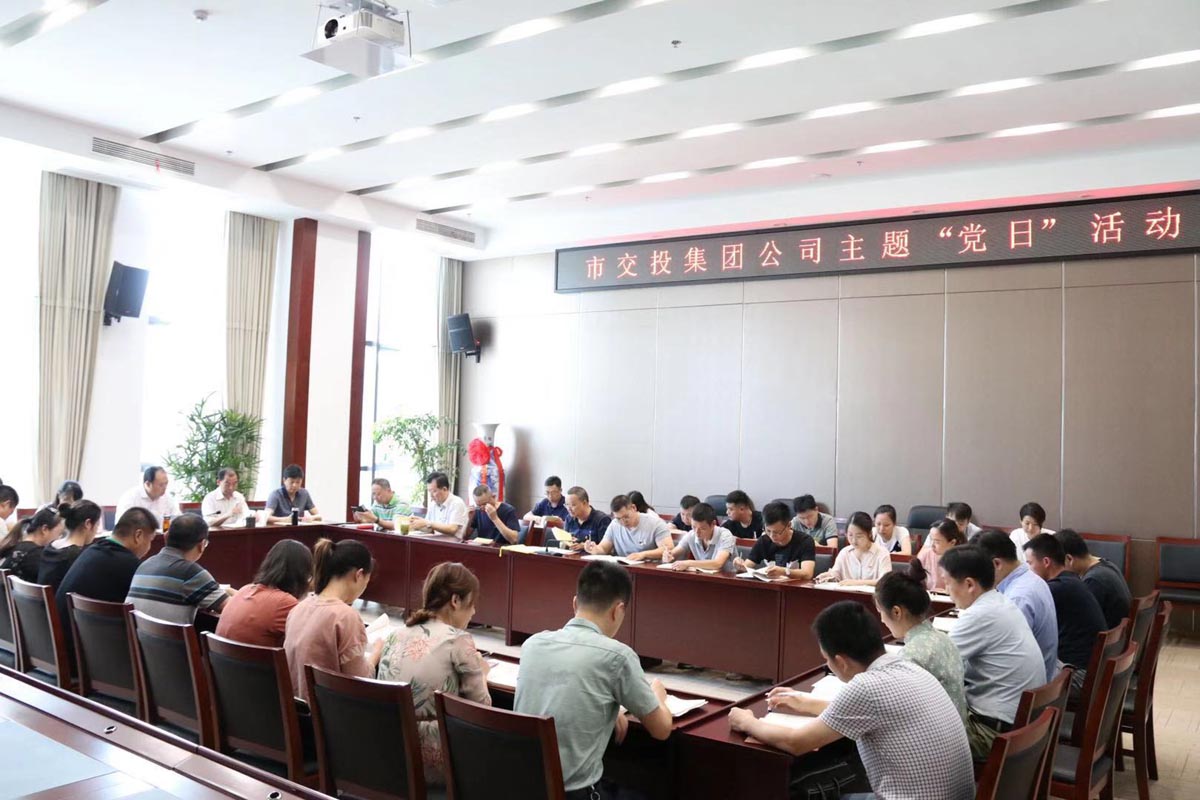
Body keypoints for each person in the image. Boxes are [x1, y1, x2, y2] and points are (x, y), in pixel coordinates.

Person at [728, 601, 974, 800]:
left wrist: (746, 721)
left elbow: (796, 742)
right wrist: (804, 703)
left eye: (827, 659)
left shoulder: (866, 687)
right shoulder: (905, 666)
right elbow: (871, 712)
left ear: (841, 661)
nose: (828, 665)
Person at [515, 561, 672, 799]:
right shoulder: (618, 656)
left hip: (521, 787)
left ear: (575, 603)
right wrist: (658, 695)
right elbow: (661, 730)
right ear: (618, 610)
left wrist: (608, 707)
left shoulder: (533, 644)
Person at [377, 563, 492, 786]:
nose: (474, 612)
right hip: (433, 762)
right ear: (455, 601)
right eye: (472, 603)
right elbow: (481, 711)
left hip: (388, 753)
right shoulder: (458, 640)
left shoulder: (395, 635)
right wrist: (483, 674)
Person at [939, 545, 1045, 758]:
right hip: (1023, 728)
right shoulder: (1001, 601)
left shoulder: (980, 614)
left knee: (910, 735)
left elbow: (937, 665)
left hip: (994, 733)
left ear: (969, 584)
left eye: (947, 583)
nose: (946, 590)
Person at [285, 538, 382, 702]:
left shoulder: (298, 608)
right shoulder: (345, 617)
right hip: (329, 712)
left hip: (298, 709)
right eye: (366, 581)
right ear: (359, 575)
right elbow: (359, 682)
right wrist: (377, 653)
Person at [54, 507, 156, 663]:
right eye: (150, 541)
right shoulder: (128, 565)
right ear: (138, 535)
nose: (149, 548)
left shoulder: (91, 551)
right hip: (89, 659)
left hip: (62, 648)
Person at [875, 560, 968, 720]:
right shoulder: (943, 638)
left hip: (937, 732)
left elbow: (894, 711)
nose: (882, 620)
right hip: (957, 727)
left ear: (896, 612)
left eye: (880, 612)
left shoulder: (911, 656)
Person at [1023, 533, 1108, 696]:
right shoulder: (1072, 581)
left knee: (1019, 683)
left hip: (1079, 675)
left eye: (1030, 563)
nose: (1029, 570)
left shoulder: (1055, 589)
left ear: (1046, 562)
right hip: (1092, 672)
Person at [973, 529, 1059, 683]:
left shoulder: (1018, 598)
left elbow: (1002, 655)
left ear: (996, 564)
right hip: (1042, 679)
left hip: (1027, 687)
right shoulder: (1032, 579)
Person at [127, 513, 232, 624]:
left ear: (166, 536)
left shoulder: (145, 565)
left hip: (137, 635)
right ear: (202, 545)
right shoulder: (190, 572)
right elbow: (233, 609)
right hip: (169, 636)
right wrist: (232, 592)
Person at [216, 539, 312, 648]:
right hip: (253, 659)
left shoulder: (245, 589)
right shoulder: (285, 603)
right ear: (302, 575)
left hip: (220, 658)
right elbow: (313, 637)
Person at [1057, 528, 1132, 630]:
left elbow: (1082, 622)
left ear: (1069, 559)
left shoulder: (1093, 581)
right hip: (1118, 635)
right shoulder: (1107, 564)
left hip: (1108, 637)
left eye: (1058, 564)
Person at [734, 500, 816, 581]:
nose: (772, 536)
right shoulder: (764, 540)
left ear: (789, 525)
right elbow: (747, 566)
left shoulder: (805, 541)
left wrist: (784, 572)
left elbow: (807, 574)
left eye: (777, 532)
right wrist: (740, 565)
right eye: (768, 531)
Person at [38, 500, 103, 591]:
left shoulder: (50, 546)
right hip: (62, 600)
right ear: (88, 524)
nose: (97, 531)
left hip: (45, 599)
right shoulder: (76, 556)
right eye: (97, 525)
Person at [584, 495, 673, 560]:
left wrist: (643, 554)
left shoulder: (655, 523)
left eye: (626, 517)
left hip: (649, 569)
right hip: (622, 569)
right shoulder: (614, 524)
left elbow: (668, 548)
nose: (623, 522)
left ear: (633, 508)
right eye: (618, 519)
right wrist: (594, 549)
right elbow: (604, 548)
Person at [816, 511, 893, 586]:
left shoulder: (881, 553)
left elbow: (885, 581)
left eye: (859, 536)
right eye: (850, 535)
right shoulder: (845, 552)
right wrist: (827, 576)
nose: (854, 541)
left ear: (869, 534)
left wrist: (855, 583)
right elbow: (836, 574)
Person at [666, 502, 737, 574]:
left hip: (727, 578)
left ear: (713, 524)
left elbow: (718, 563)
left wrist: (688, 563)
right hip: (704, 576)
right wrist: (668, 555)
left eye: (702, 529)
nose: (697, 532)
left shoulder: (725, 535)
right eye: (694, 527)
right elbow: (674, 552)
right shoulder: (691, 534)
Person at [0, 506, 63, 582]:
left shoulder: (14, 546)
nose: (59, 538)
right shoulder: (36, 555)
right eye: (60, 534)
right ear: (44, 529)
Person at [409, 471, 468, 539]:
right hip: (435, 541)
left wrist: (427, 523)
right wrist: (418, 525)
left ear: (444, 489)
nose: (431, 495)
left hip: (452, 543)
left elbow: (452, 529)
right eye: (429, 491)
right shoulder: (433, 504)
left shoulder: (457, 503)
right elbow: (430, 530)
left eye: (434, 491)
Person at [116, 466, 181, 526]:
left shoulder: (168, 497)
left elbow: (178, 520)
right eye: (161, 485)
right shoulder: (131, 497)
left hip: (161, 534)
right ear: (148, 484)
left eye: (166, 483)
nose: (165, 487)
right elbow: (123, 525)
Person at [916, 519, 964, 592]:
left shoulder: (962, 560)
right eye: (931, 539)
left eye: (937, 542)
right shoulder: (925, 555)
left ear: (952, 542)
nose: (932, 545)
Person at [563, 486, 612, 550]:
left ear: (584, 503)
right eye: (567, 505)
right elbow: (565, 542)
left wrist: (585, 546)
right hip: (571, 554)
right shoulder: (569, 519)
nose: (569, 509)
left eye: (573, 505)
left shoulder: (602, 520)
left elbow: (605, 549)